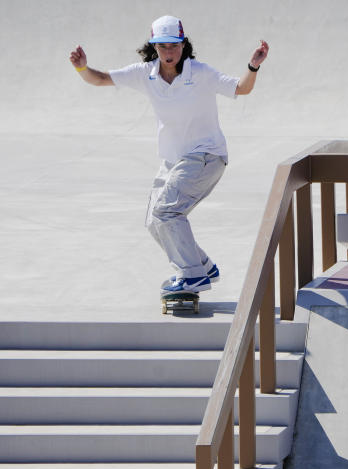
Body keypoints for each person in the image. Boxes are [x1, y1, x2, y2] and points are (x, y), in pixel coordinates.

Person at [68, 15, 269, 295]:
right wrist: (82, 68)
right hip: (173, 163)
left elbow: (241, 88)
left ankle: (192, 275)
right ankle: (203, 265)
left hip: (206, 156)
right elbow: (101, 79)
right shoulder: (145, 73)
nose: (169, 53)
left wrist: (253, 66)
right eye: (162, 47)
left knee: (167, 212)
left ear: (183, 45)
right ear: (154, 48)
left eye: (174, 46)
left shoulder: (200, 73)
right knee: (154, 221)